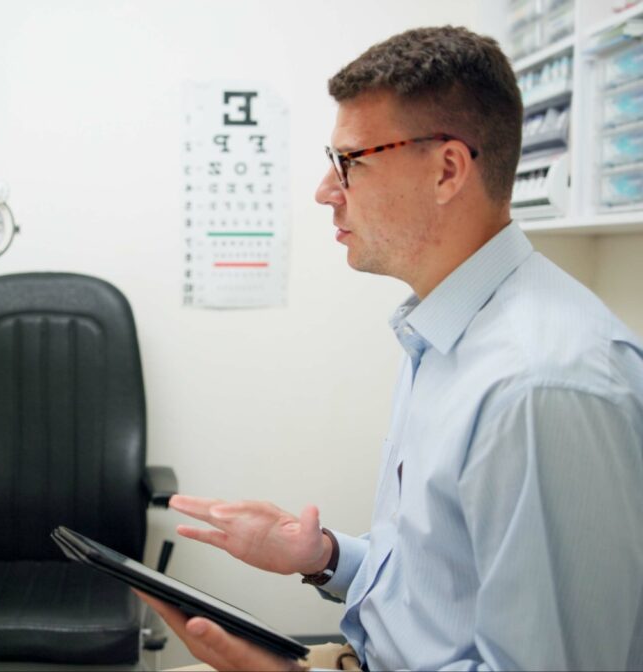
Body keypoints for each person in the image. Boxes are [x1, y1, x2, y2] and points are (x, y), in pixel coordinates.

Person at [139, 25, 643, 671]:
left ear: (447, 170)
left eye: (351, 160)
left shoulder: (539, 383)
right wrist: (321, 556)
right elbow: (441, 587)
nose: (326, 189)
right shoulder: (445, 334)